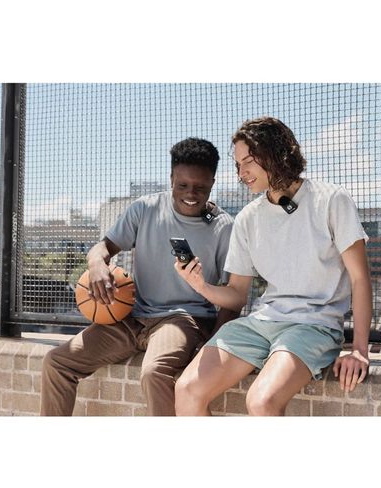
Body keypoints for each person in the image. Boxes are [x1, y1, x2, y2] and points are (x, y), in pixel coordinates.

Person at [174, 117, 372, 416]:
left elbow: (359, 279)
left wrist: (359, 350)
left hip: (313, 326)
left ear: (275, 154)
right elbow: (236, 295)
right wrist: (200, 285)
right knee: (187, 389)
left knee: (261, 401)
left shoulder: (331, 200)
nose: (241, 173)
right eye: (237, 164)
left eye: (248, 162)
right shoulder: (248, 218)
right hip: (261, 323)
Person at [40, 137, 237, 416]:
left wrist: (210, 346)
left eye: (200, 187)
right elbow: (103, 247)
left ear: (212, 183)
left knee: (154, 372)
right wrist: (96, 264)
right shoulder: (145, 208)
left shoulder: (224, 228)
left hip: (183, 319)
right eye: (182, 185)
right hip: (132, 316)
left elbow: (233, 298)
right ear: (171, 178)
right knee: (57, 362)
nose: (191, 193)